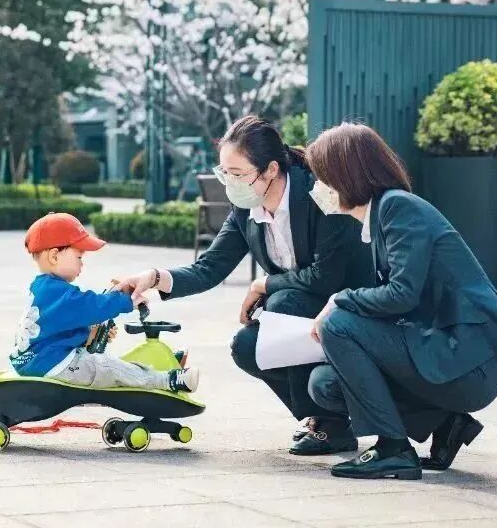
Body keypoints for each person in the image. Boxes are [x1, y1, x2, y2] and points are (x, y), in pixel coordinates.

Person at [114, 116, 373, 454]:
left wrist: (263, 284)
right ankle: (325, 422)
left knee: (282, 304)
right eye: (225, 173)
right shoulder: (245, 209)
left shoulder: (319, 194)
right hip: (301, 315)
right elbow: (209, 268)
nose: (231, 184)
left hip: (348, 309)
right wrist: (153, 277)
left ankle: (330, 421)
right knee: (247, 346)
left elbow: (326, 276)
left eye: (237, 174)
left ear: (271, 170)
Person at [304, 122, 497, 480]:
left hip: (471, 363)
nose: (317, 187)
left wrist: (340, 300)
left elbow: (401, 295)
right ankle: (446, 423)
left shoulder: (397, 207)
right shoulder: (380, 217)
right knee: (325, 384)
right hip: (441, 350)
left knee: (337, 323)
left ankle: (393, 449)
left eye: (321, 177)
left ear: (345, 175)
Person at [10, 212, 199, 393]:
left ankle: (153, 367)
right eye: (79, 257)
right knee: (109, 368)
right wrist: (125, 301)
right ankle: (167, 380)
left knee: (106, 363)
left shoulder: (44, 288)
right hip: (53, 364)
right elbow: (91, 306)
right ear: (54, 256)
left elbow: (60, 326)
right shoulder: (57, 292)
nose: (82, 264)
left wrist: (90, 334)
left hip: (42, 360)